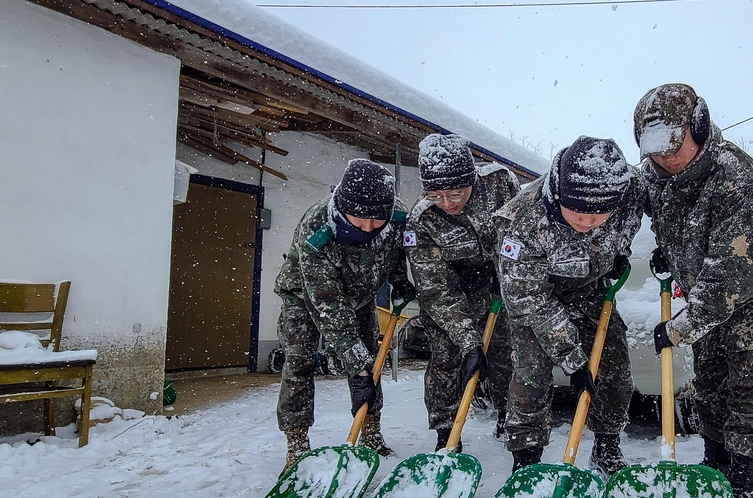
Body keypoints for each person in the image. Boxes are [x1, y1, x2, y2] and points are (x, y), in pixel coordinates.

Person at [635, 83, 753, 498]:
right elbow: (634, 199)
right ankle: (715, 463)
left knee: (748, 394)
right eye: (655, 152)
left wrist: (679, 329)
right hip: (705, 298)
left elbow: (732, 272)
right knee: (709, 385)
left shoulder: (737, 180)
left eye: (674, 148)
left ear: (699, 128)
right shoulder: (656, 171)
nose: (666, 160)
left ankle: (746, 483)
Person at [494, 135, 642, 475]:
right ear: (559, 194)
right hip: (535, 298)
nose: (588, 222)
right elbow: (529, 301)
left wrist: (621, 253)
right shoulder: (521, 221)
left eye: (599, 214)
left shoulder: (630, 189)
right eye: (578, 212)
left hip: (590, 292)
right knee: (531, 375)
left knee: (615, 371)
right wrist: (574, 362)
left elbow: (638, 217)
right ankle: (526, 458)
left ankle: (607, 446)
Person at [273, 158, 414, 474]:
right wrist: (353, 361)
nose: (367, 228)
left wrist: (398, 277)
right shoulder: (317, 230)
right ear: (341, 205)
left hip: (360, 296)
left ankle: (371, 432)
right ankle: (296, 444)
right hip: (306, 296)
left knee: (370, 362)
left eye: (376, 221)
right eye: (359, 220)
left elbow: (394, 251)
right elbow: (328, 306)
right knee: (299, 362)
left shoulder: (396, 216)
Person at [405, 134, 519, 449]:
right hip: (451, 294)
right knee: (447, 359)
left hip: (497, 286)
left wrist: (505, 273)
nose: (447, 203)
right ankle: (446, 433)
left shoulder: (499, 183)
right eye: (436, 194)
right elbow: (435, 289)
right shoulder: (422, 220)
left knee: (504, 355)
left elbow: (520, 233)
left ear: (471, 179)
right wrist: (469, 340)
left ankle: (508, 415)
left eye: (456, 193)